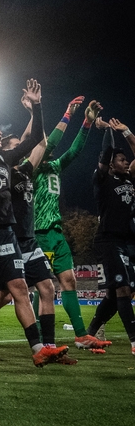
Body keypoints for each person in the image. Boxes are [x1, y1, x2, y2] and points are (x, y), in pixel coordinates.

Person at [0, 99, 97, 364]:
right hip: (10, 240)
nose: (21, 151)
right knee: (3, 295)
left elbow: (40, 141)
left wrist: (36, 110)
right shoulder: (4, 174)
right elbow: (37, 141)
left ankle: (48, 347)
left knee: (47, 288)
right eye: (15, 148)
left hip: (30, 240)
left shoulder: (26, 172)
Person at [0, 78, 67, 367]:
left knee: (19, 287)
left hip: (6, 233)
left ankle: (38, 349)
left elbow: (34, 141)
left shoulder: (6, 159)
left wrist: (37, 107)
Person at [31, 97, 111, 350]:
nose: (49, 147)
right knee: (41, 288)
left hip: (56, 232)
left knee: (68, 281)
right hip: (38, 234)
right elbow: (52, 141)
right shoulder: (29, 169)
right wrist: (67, 114)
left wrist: (86, 123)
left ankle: (81, 335)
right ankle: (34, 331)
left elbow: (75, 151)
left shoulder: (54, 166)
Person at [84, 118, 135, 352]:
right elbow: (104, 155)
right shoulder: (103, 179)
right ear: (112, 164)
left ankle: (89, 335)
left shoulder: (130, 178)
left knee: (116, 296)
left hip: (127, 242)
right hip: (108, 239)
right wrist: (107, 132)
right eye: (122, 160)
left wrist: (126, 131)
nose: (126, 163)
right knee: (122, 288)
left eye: (126, 160)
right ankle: (134, 341)